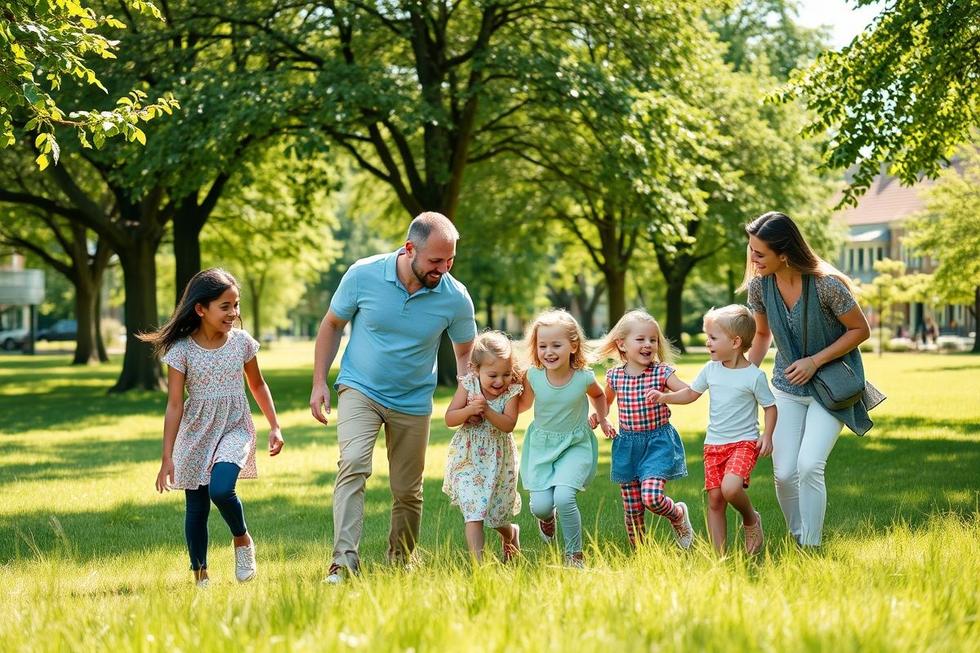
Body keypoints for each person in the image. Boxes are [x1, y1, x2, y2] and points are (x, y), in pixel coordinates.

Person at [310, 212, 476, 583]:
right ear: (409, 249)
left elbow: (465, 352)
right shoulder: (363, 274)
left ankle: (401, 559)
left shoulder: (454, 296)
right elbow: (332, 325)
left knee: (407, 490)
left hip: (414, 399)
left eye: (450, 260)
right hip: (360, 388)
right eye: (435, 260)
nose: (443, 269)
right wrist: (320, 381)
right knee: (353, 463)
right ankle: (343, 561)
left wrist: (468, 396)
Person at [743, 211, 880, 548]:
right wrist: (743, 377)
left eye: (759, 253)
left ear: (784, 254)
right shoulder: (760, 286)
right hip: (787, 388)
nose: (753, 259)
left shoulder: (827, 285)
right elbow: (761, 335)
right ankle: (798, 535)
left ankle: (812, 546)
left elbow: (861, 330)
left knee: (808, 466)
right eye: (751, 250)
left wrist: (815, 361)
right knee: (784, 473)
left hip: (831, 388)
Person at [142, 268, 284, 587]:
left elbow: (258, 385)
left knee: (221, 489)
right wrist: (167, 456)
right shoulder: (181, 350)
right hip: (195, 432)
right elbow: (175, 404)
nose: (233, 313)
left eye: (236, 305)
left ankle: (242, 539)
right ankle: (200, 576)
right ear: (201, 309)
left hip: (235, 427)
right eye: (225, 306)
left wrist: (274, 426)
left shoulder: (242, 344)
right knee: (196, 506)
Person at [649, 305, 776, 554]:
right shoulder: (710, 369)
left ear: (736, 341)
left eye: (713, 337)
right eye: (707, 337)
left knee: (730, 489)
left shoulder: (754, 376)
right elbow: (690, 394)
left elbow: (770, 407)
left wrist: (767, 435)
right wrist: (664, 398)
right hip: (714, 445)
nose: (708, 342)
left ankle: (751, 519)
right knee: (716, 499)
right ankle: (720, 557)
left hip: (743, 443)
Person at [517, 309, 610, 568]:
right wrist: (498, 407)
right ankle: (547, 518)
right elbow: (523, 405)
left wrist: (602, 418)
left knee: (564, 497)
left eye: (556, 345)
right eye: (542, 345)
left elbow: (600, 396)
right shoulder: (534, 376)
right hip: (542, 446)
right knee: (541, 507)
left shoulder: (583, 377)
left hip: (575, 444)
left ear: (573, 345)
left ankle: (574, 555)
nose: (549, 351)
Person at [594, 310, 694, 550]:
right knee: (633, 509)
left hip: (657, 444)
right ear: (622, 344)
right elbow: (605, 403)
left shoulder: (661, 372)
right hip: (627, 446)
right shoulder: (615, 376)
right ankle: (641, 553)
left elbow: (689, 392)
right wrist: (600, 418)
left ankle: (678, 514)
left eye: (653, 339)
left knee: (651, 498)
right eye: (641, 339)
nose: (648, 344)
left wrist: (665, 396)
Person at [442, 331, 523, 563]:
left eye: (506, 374)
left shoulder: (511, 392)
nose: (500, 381)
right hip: (468, 458)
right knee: (473, 513)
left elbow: (508, 425)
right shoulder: (469, 386)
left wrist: (486, 410)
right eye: (493, 375)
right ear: (476, 370)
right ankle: (479, 569)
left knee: (497, 516)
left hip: (498, 459)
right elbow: (449, 418)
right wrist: (468, 412)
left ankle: (511, 533)